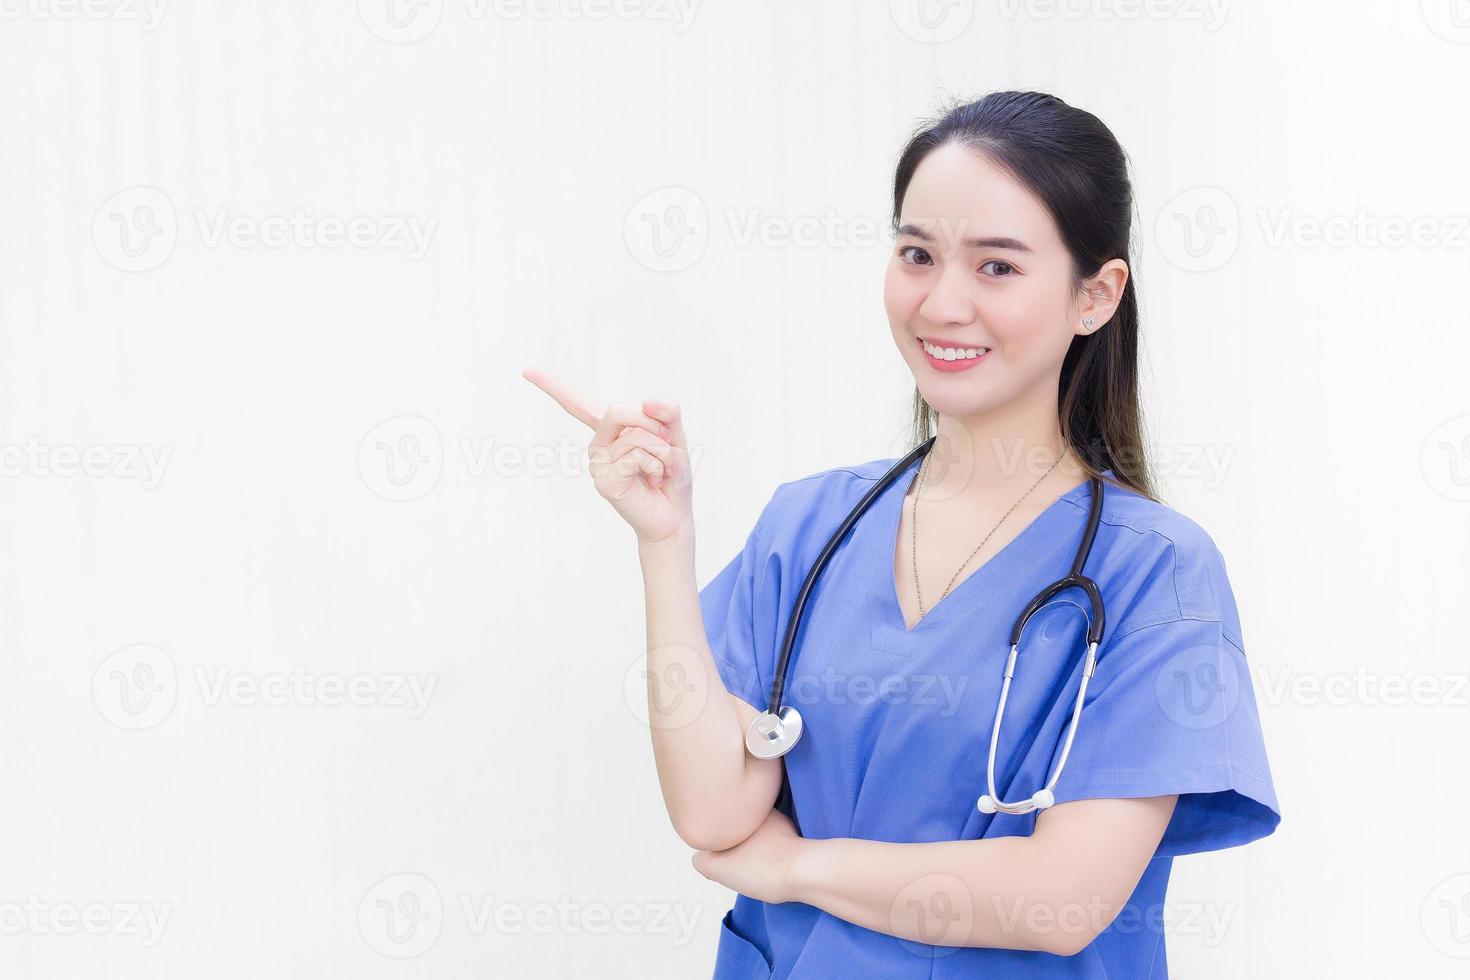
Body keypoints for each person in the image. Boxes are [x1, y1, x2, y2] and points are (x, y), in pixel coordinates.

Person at [525, 89, 1281, 979]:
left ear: (1095, 295)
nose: (943, 303)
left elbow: (1061, 898)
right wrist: (663, 541)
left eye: (997, 267)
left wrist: (797, 866)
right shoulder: (809, 530)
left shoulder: (1156, 574)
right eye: (918, 254)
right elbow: (713, 812)